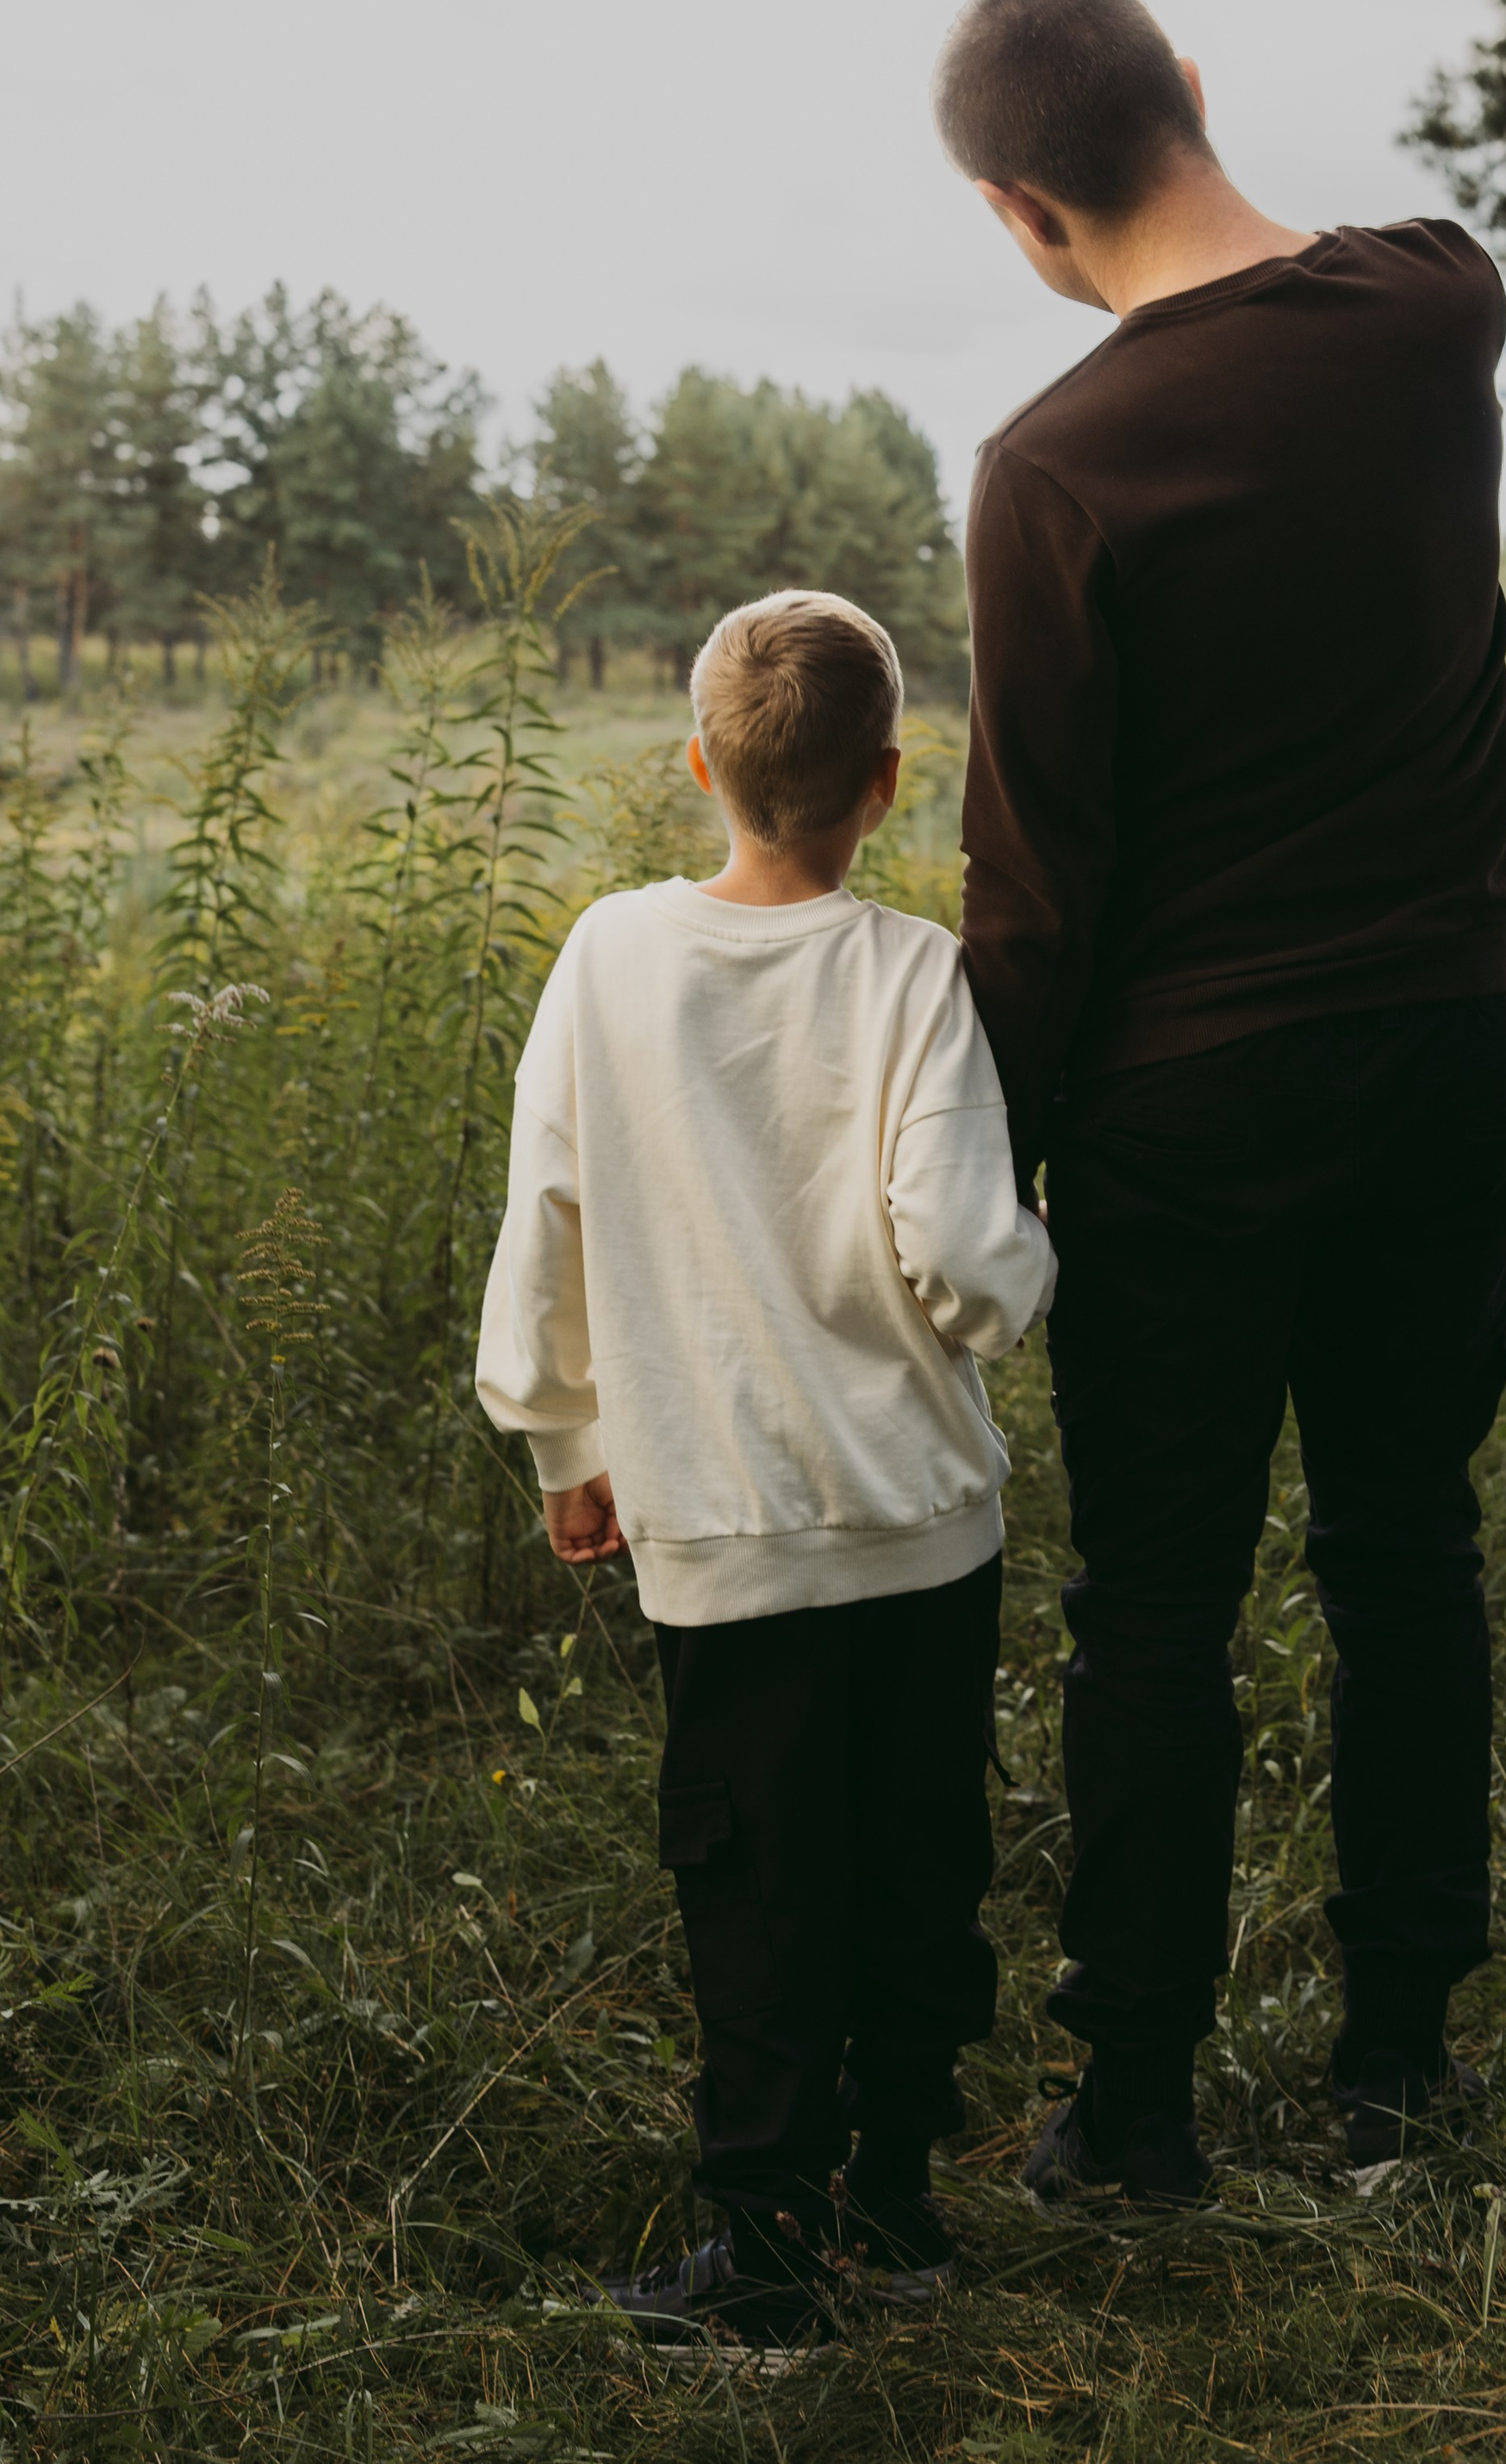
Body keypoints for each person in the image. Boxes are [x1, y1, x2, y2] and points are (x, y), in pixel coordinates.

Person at [938, 0, 1506, 2201]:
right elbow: (1346, 243)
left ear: (1015, 212)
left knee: (1156, 1612)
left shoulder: (1051, 473)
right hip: (1440, 1058)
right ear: (1191, 84)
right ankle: (1397, 2065)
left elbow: (1034, 894)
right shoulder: (1437, 308)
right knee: (1405, 1552)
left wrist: (980, 1173)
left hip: (1190, 1119)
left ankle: (1136, 2118)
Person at [475, 589, 1055, 2341]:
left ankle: (770, 2248)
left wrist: (566, 1439)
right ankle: (900, 2205)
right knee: (917, 1865)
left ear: (698, 767)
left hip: (722, 1531)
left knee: (753, 1880)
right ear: (887, 782)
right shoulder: (913, 973)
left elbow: (550, 1212)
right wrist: (1026, 1269)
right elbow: (964, 1256)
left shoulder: (608, 956)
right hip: (922, 1528)